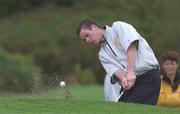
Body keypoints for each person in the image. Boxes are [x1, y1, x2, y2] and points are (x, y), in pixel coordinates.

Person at [76, 19, 160, 105]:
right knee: (119, 109)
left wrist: (130, 72)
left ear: (94, 27)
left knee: (133, 110)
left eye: (87, 35)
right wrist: (124, 79)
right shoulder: (102, 55)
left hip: (148, 76)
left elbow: (132, 46)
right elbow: (115, 70)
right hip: (130, 84)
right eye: (84, 39)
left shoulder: (118, 27)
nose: (88, 40)